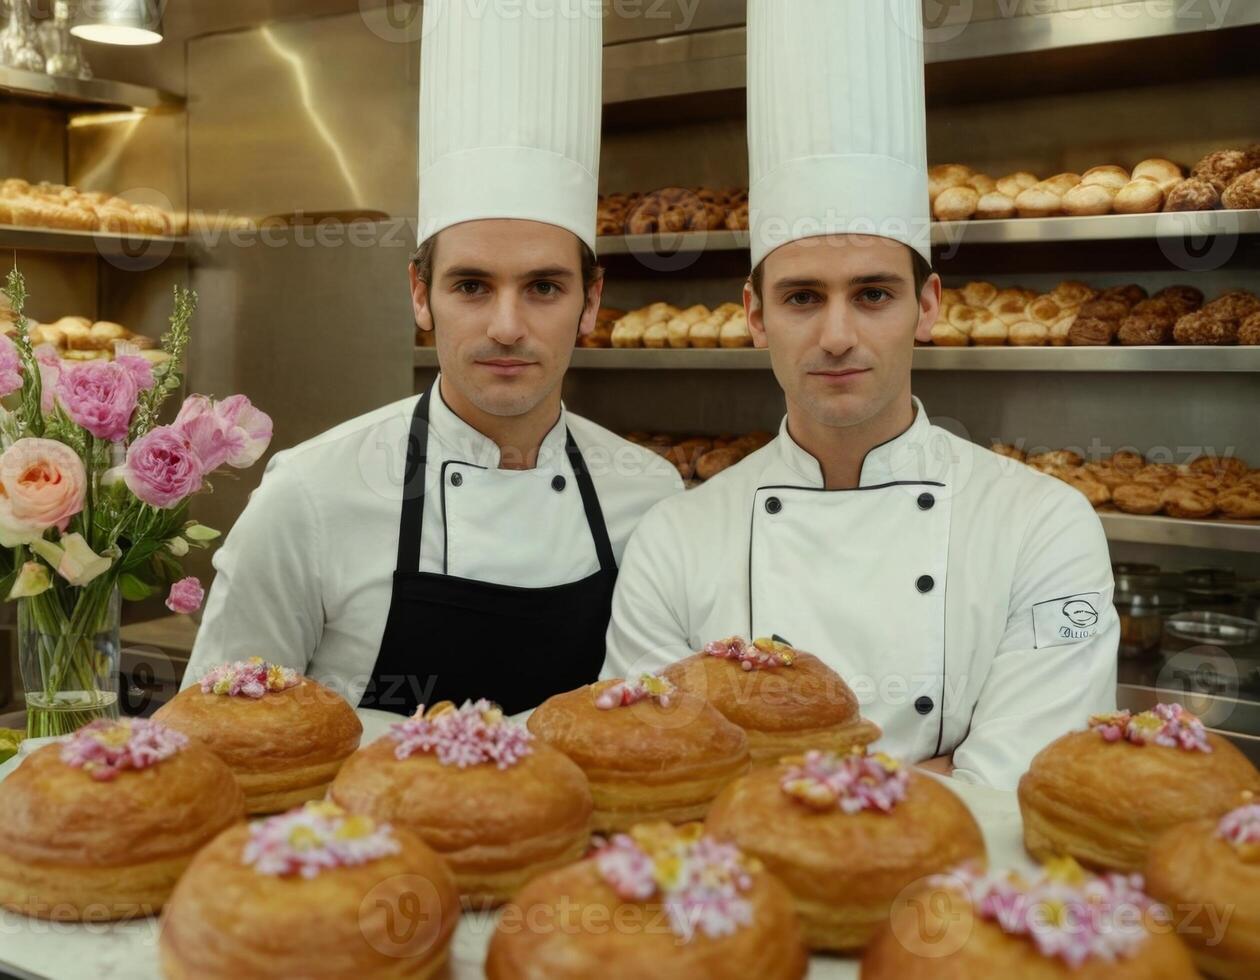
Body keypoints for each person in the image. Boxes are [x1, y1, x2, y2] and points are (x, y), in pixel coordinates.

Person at [604, 0, 1117, 789]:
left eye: (873, 295)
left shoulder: (1043, 526)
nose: (837, 335)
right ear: (754, 315)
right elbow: (650, 771)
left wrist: (757, 782)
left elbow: (1026, 783)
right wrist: (937, 773)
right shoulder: (676, 538)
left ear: (930, 306)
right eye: (803, 297)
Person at [184, 0, 682, 715]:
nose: (507, 327)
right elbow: (220, 738)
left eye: (544, 286)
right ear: (421, 295)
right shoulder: (312, 497)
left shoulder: (651, 497)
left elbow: (651, 743)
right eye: (472, 285)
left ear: (592, 301)